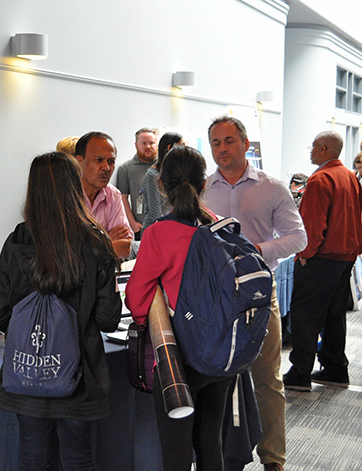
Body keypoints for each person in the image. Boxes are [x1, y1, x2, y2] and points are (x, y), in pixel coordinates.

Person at [0, 151, 122, 470]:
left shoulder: (17, 240)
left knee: (32, 457)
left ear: (33, 189)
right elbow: (108, 318)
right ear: (74, 187)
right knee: (77, 458)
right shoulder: (96, 242)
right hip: (80, 378)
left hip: (26, 376)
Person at [202, 116, 306, 471]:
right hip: (216, 302)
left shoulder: (272, 187)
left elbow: (298, 238)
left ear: (246, 144)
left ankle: (273, 459)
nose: (222, 149)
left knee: (266, 379)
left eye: (229, 141)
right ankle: (220, 457)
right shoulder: (203, 190)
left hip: (259, 297)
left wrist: (256, 251)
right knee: (216, 380)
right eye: (216, 143)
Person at [127, 145, 232, 471]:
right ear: (204, 185)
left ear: (161, 185)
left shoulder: (158, 233)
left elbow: (136, 299)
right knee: (210, 445)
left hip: (178, 357)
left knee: (176, 453)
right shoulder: (222, 226)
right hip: (221, 353)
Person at [284, 131, 362, 392]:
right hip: (345, 258)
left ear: (325, 149)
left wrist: (305, 255)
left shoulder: (320, 179)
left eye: (314, 146)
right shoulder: (350, 176)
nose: (310, 150)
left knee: (306, 315)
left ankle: (300, 373)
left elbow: (312, 225)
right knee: (334, 315)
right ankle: (335, 368)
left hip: (321, 257)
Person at [75, 131, 134, 260]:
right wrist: (106, 240)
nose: (106, 168)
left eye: (111, 161)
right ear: (79, 161)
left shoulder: (113, 195)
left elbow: (124, 247)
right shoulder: (65, 194)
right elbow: (68, 252)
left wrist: (90, 248)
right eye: (99, 160)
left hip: (105, 277)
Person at [116, 127, 159, 239]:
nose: (148, 146)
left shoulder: (164, 167)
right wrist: (133, 223)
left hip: (162, 226)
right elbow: (123, 198)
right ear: (136, 145)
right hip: (140, 228)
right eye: (144, 143)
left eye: (151, 143)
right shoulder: (125, 169)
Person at [141, 132, 184, 230]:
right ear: (169, 148)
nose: (184, 151)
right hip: (155, 231)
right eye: (181, 146)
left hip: (170, 228)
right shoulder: (152, 176)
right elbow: (156, 215)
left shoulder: (171, 173)